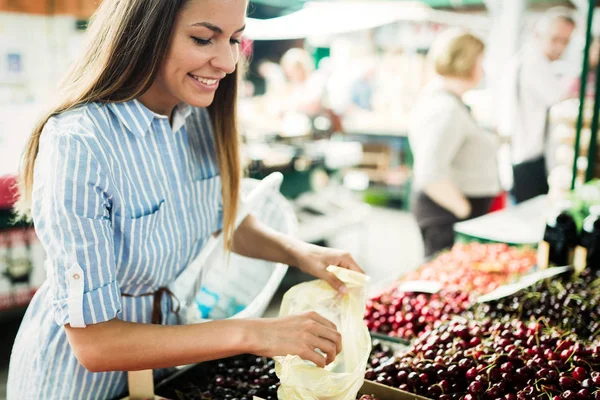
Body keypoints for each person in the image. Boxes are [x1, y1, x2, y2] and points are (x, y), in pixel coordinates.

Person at [7, 0, 364, 398]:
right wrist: (255, 332)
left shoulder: (197, 117)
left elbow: (224, 222)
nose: (228, 62)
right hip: (76, 384)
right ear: (143, 32)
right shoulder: (79, 143)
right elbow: (96, 344)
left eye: (234, 40)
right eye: (203, 38)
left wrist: (302, 254)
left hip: (164, 368)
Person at [409, 30, 501, 258]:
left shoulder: (447, 99)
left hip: (450, 214)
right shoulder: (445, 107)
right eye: (480, 61)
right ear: (466, 61)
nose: (483, 69)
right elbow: (430, 172)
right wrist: (464, 210)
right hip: (447, 217)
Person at [505, 7, 576, 203]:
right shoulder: (532, 62)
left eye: (565, 41)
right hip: (528, 159)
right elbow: (560, 98)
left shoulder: (534, 61)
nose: (560, 47)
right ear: (538, 34)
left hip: (529, 157)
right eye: (555, 39)